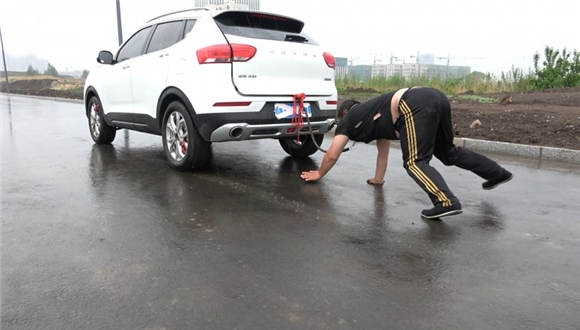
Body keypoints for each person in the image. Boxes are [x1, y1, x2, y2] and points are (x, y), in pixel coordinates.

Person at [300, 87, 513, 219]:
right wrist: (377, 179)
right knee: (448, 153)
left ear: (344, 113)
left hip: (412, 103)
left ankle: (446, 201)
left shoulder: (348, 119)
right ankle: (496, 173)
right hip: (435, 97)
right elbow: (382, 151)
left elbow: (332, 154)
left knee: (414, 162)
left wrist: (319, 173)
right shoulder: (372, 112)